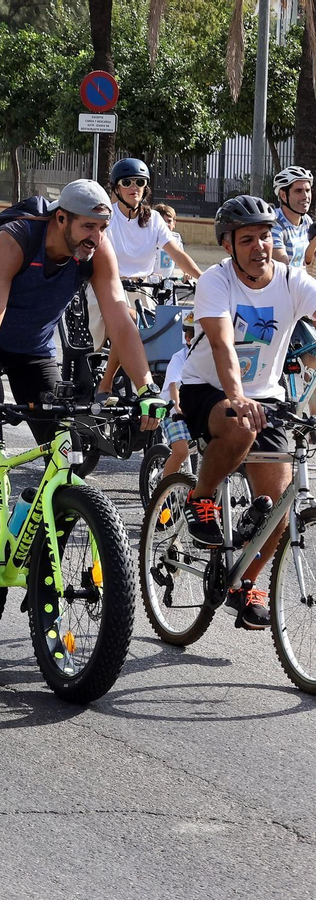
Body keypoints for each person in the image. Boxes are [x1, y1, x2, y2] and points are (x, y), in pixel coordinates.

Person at [0, 179, 164, 560]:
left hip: (33, 349)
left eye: (102, 229)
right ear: (60, 218)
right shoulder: (14, 242)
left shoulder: (96, 252)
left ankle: (44, 560)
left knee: (67, 445)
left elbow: (119, 320)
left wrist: (146, 388)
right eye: (88, 227)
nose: (96, 238)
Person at [170, 196, 316, 630]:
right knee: (237, 427)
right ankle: (200, 498)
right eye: (248, 239)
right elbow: (221, 345)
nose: (260, 246)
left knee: (280, 508)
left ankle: (243, 583)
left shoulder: (293, 281)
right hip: (208, 389)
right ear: (229, 245)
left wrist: (253, 399)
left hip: (266, 397)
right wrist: (236, 396)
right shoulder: (216, 281)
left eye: (266, 236)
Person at [94, 158, 204, 395]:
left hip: (143, 291)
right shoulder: (107, 218)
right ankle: (106, 382)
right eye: (127, 182)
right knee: (130, 322)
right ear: (115, 188)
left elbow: (177, 254)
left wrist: (202, 278)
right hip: (108, 288)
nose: (134, 187)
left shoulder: (153, 219)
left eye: (140, 182)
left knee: (170, 326)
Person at [157, 312, 195, 481]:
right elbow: (174, 385)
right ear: (188, 339)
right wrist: (178, 408)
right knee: (181, 451)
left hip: (195, 408)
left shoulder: (210, 356)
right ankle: (163, 492)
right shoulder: (180, 357)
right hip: (172, 409)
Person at [269, 166, 313, 268]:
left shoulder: (307, 221)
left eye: (307, 190)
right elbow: (283, 267)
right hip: (285, 282)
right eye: (298, 191)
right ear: (283, 195)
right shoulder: (274, 224)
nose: (305, 196)